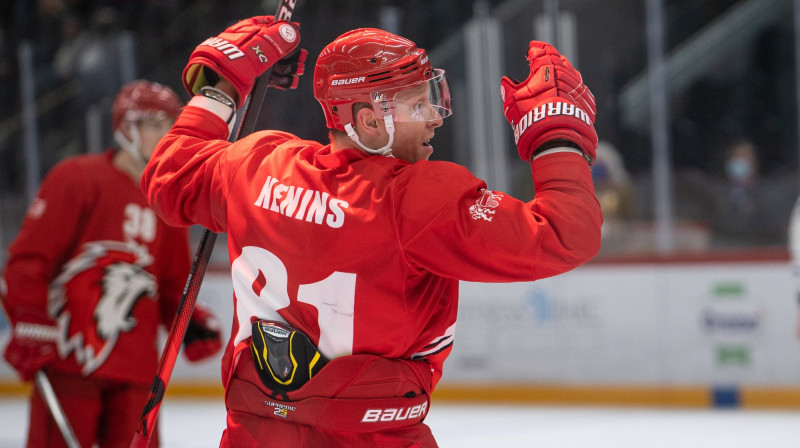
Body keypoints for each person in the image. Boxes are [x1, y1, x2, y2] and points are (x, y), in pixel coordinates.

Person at [142, 16, 601, 447]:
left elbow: (169, 177)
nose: (436, 116)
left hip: (257, 433)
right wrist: (556, 136)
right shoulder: (415, 200)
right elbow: (565, 234)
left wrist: (221, 86)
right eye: (419, 104)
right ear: (367, 119)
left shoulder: (258, 164)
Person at [1, 80, 223, 448]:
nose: (165, 134)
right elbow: (29, 259)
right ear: (125, 128)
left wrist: (189, 321)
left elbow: (170, 284)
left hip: (136, 373)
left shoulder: (168, 200)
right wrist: (28, 316)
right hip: (72, 360)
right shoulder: (78, 178)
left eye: (171, 125)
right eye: (155, 124)